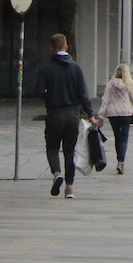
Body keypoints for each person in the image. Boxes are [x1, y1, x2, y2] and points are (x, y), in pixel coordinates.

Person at [33, 32, 99, 198]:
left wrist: (49, 93)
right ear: (66, 46)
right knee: (69, 151)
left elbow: (38, 91)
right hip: (72, 115)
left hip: (54, 114)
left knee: (52, 147)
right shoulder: (75, 68)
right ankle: (69, 188)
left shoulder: (46, 67)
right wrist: (90, 114)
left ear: (51, 48)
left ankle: (57, 173)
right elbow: (83, 93)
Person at [97, 62, 133, 172]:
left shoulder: (110, 84)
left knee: (117, 137)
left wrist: (100, 116)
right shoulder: (129, 84)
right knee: (124, 137)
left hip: (113, 114)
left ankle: (119, 159)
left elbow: (105, 100)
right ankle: (121, 161)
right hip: (126, 113)